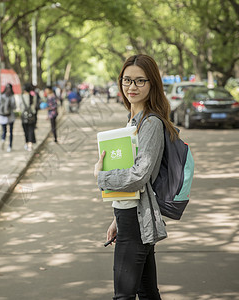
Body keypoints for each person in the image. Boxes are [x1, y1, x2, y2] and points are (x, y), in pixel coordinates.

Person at [94, 54, 179, 300]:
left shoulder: (151, 122)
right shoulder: (133, 120)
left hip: (136, 219)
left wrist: (102, 176)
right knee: (147, 292)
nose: (132, 87)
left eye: (140, 81)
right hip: (129, 216)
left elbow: (140, 175)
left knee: (124, 295)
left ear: (152, 84)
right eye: (127, 80)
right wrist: (116, 219)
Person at [0, 83, 16, 152]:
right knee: (11, 132)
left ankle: (3, 140)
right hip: (10, 117)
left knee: (4, 131)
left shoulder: (1, 96)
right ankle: (10, 146)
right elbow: (14, 107)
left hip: (2, 117)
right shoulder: (12, 96)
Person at [21, 84, 37, 152]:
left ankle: (27, 143)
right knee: (31, 130)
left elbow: (20, 107)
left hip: (24, 116)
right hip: (32, 116)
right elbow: (34, 107)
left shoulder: (21, 97)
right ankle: (30, 145)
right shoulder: (33, 97)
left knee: (26, 131)